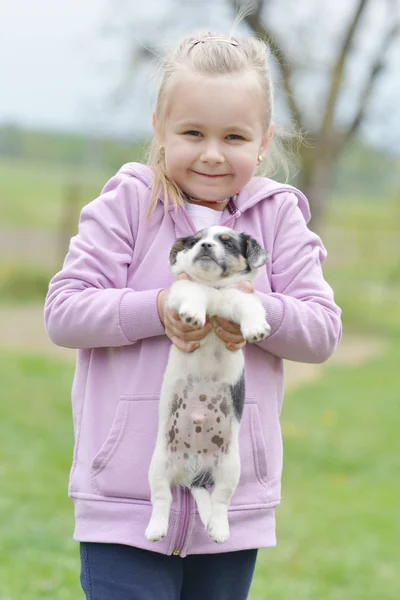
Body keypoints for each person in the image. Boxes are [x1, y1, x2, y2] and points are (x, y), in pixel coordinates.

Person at [44, 31, 342, 600]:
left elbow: (322, 329)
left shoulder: (279, 218)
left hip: (231, 504)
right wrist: (156, 308)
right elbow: (64, 311)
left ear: (263, 141)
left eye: (234, 136)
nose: (212, 152)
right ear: (159, 128)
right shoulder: (129, 204)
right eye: (192, 133)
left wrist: (257, 312)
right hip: (126, 504)